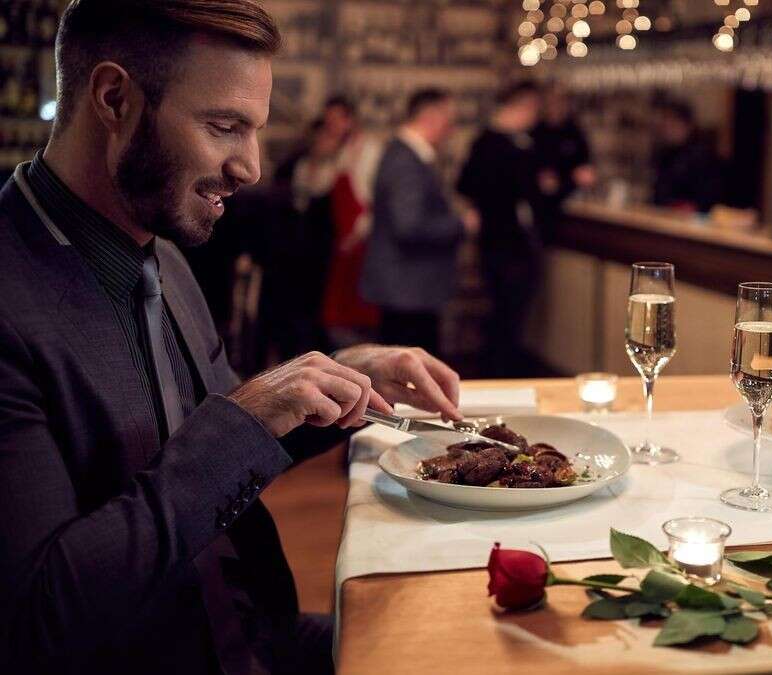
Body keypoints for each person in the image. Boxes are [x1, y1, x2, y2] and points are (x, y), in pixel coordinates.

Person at [0, 2, 464, 673]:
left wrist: (340, 377)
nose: (249, 165)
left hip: (253, 636)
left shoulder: (167, 260)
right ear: (113, 98)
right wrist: (245, 416)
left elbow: (219, 449)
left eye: (255, 132)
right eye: (225, 127)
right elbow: (37, 615)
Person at [360, 88, 476, 355]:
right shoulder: (405, 160)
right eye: (450, 120)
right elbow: (409, 226)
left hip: (408, 287)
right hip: (408, 289)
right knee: (410, 377)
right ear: (431, 117)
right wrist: (461, 224)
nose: (452, 129)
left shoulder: (404, 155)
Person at [456, 81, 545, 378]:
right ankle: (500, 375)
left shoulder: (514, 142)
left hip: (506, 242)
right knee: (506, 315)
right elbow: (469, 185)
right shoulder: (495, 143)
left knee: (509, 314)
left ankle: (502, 373)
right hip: (504, 243)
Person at [293, 96, 383, 349]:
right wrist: (319, 158)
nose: (332, 125)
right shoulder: (331, 152)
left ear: (350, 120)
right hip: (333, 245)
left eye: (338, 119)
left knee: (360, 314)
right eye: (328, 120)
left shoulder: (368, 150)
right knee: (334, 316)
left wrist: (356, 233)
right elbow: (315, 189)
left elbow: (375, 200)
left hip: (361, 245)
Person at [531, 85, 595, 242]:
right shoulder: (534, 132)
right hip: (538, 208)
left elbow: (586, 169)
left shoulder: (575, 132)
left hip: (569, 202)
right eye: (551, 102)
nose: (555, 107)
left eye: (560, 102)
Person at [650, 99, 723, 213]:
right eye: (665, 124)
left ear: (687, 125)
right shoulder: (665, 153)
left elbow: (708, 198)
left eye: (672, 124)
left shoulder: (702, 154)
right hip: (665, 216)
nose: (667, 129)